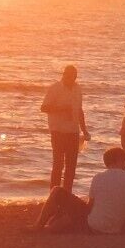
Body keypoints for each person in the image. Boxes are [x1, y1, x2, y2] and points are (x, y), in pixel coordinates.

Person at [40, 65, 88, 194]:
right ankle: (53, 194)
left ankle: (67, 194)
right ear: (64, 75)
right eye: (69, 76)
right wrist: (62, 109)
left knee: (71, 166)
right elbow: (44, 108)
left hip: (73, 131)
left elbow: (79, 110)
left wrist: (84, 130)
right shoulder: (55, 88)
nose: (72, 79)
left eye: (74, 77)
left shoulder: (78, 89)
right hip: (58, 130)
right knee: (58, 165)